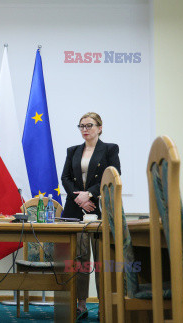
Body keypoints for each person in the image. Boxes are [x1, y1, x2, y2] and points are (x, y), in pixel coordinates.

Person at [61, 112, 120, 319]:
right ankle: (81, 304)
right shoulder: (73, 150)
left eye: (89, 125)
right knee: (80, 258)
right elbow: (65, 177)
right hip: (75, 208)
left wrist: (90, 194)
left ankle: (104, 304)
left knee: (100, 259)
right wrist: (79, 198)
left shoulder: (110, 149)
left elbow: (114, 174)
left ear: (100, 128)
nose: (85, 129)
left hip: (98, 207)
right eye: (81, 126)